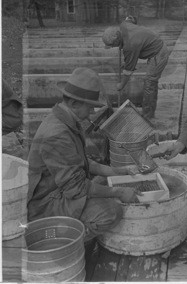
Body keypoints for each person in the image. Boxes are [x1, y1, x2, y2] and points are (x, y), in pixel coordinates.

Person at [27, 67, 143, 245]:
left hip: (61, 187)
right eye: (90, 107)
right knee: (111, 212)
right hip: (45, 203)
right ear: (74, 104)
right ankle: (61, 241)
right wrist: (120, 191)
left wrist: (119, 171)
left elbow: (82, 162)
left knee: (101, 182)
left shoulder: (68, 120)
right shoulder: (57, 134)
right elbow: (77, 189)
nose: (92, 112)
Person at [102, 19, 170, 119]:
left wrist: (121, 85)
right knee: (151, 82)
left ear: (117, 38)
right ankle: (149, 112)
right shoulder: (124, 25)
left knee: (150, 83)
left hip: (158, 53)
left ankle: (148, 116)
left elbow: (128, 71)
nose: (113, 47)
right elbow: (131, 18)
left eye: (112, 45)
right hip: (155, 46)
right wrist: (127, 62)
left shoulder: (129, 46)